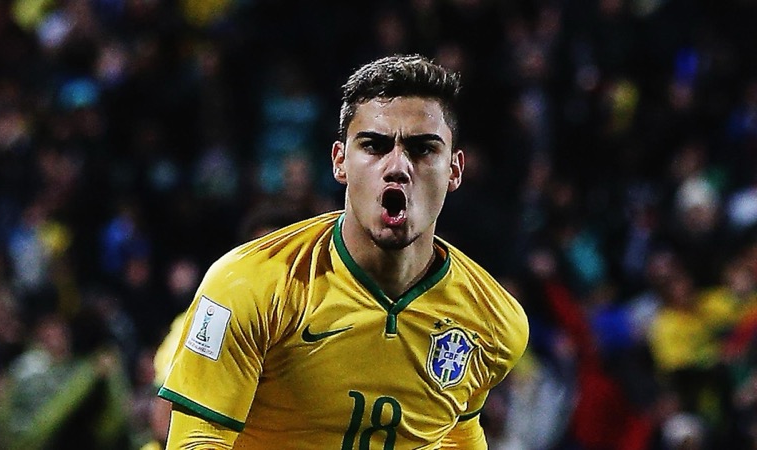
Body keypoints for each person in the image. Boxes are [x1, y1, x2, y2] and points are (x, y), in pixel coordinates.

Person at [158, 54, 529, 449]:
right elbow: (195, 439)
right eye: (374, 145)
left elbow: (458, 434)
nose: (398, 166)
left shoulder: (493, 321)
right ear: (339, 162)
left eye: (423, 149)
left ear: (454, 170)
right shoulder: (248, 286)